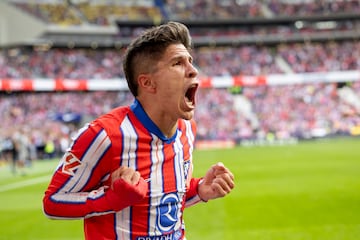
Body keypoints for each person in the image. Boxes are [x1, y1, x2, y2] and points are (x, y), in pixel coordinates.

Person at [43, 21, 235, 240]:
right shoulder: (104, 135)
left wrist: (200, 190)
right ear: (148, 83)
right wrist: (111, 198)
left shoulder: (187, 130)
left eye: (190, 61)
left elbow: (165, 203)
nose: (193, 70)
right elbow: (53, 203)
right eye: (178, 63)